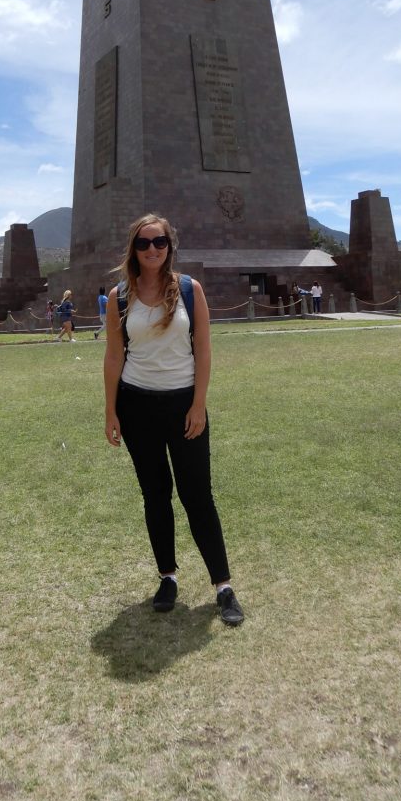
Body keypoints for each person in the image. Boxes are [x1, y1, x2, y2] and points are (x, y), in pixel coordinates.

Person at [103, 213, 244, 625]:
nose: (152, 250)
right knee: (155, 494)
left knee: (198, 494)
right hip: (136, 405)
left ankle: (223, 586)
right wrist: (110, 410)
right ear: (134, 249)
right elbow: (114, 355)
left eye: (159, 242)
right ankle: (167, 577)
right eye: (144, 243)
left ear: (170, 245)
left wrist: (199, 403)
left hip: (184, 403)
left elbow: (203, 349)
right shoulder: (119, 296)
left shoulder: (188, 289)